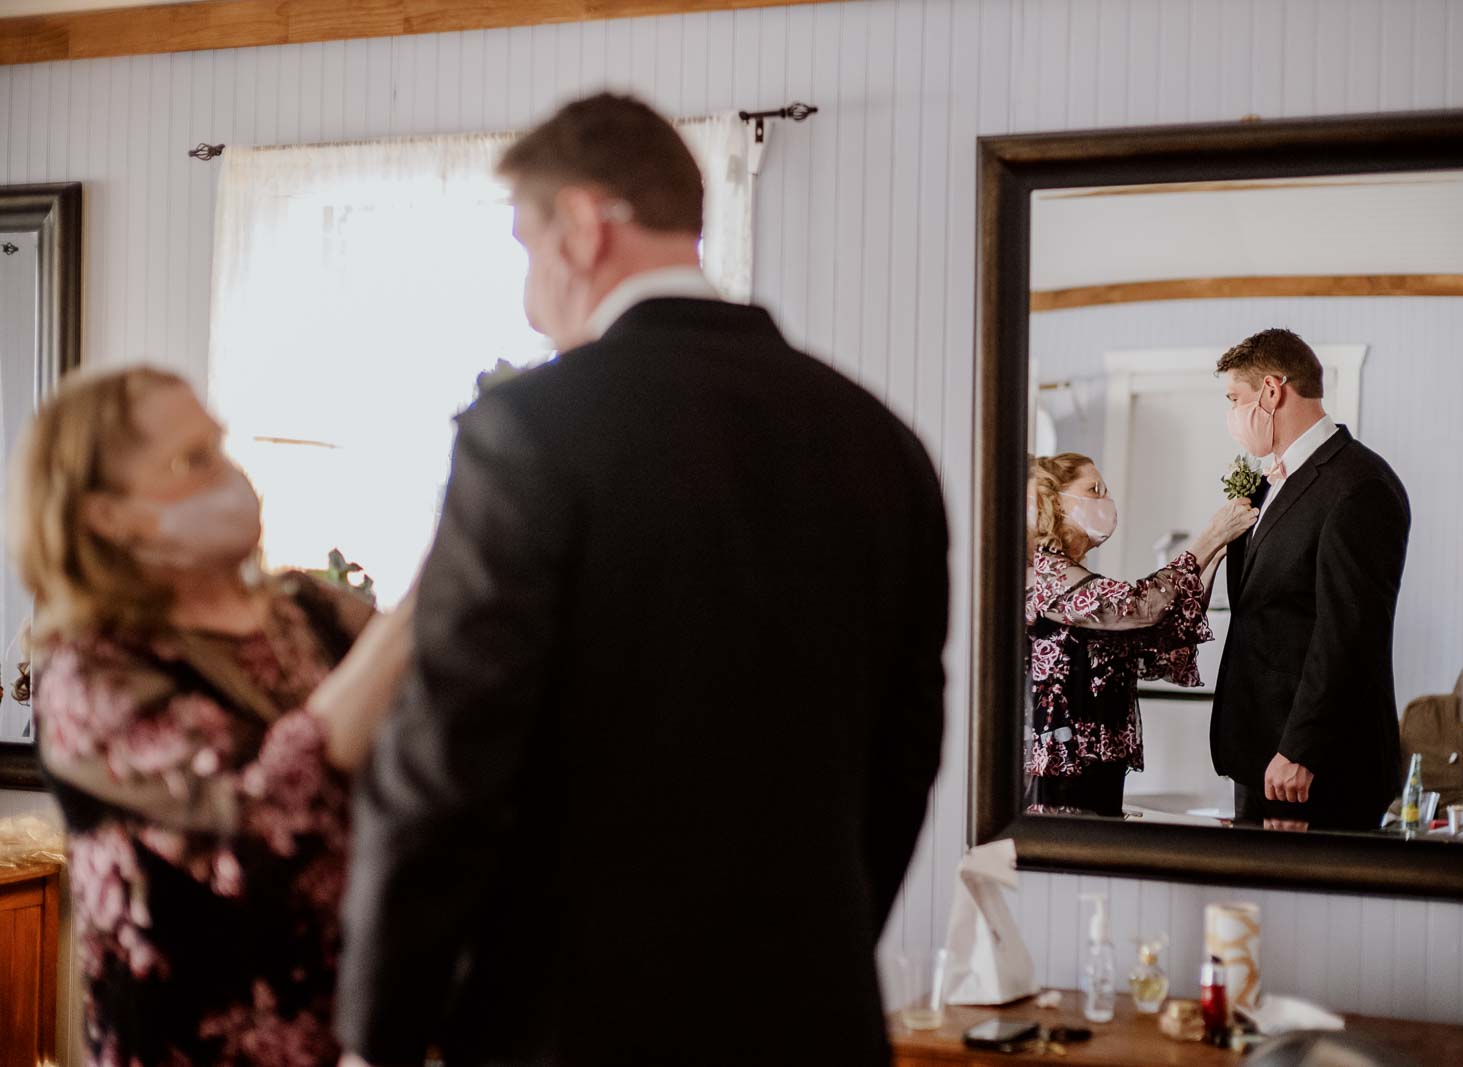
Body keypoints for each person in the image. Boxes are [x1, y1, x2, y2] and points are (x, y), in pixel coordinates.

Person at [335, 93, 949, 1067]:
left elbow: (449, 756)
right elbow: (903, 758)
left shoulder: (530, 432)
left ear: (581, 225)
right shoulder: (880, 441)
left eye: (525, 246)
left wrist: (378, 1032)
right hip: (811, 1021)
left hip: (572, 1026)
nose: (530, 297)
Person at [10, 366, 415, 1067]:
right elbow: (261, 817)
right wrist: (430, 605)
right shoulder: (90, 673)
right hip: (191, 1043)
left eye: (219, 446)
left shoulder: (313, 610)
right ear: (107, 514)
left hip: (359, 1027)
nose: (229, 475)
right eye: (191, 460)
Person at [1209, 328, 1411, 832]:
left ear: (1273, 391)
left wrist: (1301, 748)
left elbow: (1348, 634)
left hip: (1313, 767)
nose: (1232, 414)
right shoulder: (1267, 484)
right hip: (1260, 751)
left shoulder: (1359, 486)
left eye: (1235, 398)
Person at [1025, 453, 1256, 816]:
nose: (1105, 500)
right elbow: (1138, 606)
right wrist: (1207, 540)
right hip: (1061, 767)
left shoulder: (1072, 576)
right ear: (1055, 502)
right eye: (1093, 489)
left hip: (1100, 766)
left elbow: (1156, 642)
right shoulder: (1044, 575)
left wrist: (1211, 562)